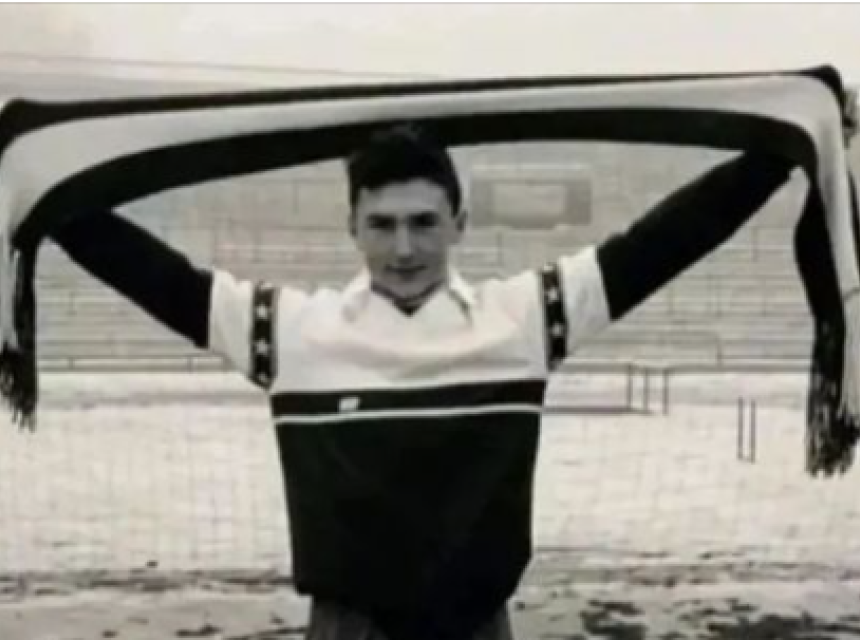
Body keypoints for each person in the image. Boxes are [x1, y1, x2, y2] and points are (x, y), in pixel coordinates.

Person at [50, 124, 792, 640]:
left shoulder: (524, 318)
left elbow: (662, 243)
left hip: (478, 626)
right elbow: (152, 275)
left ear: (459, 223)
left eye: (423, 222)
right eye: (381, 225)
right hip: (348, 628)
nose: (403, 248)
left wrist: (779, 152)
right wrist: (39, 187)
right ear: (352, 227)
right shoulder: (292, 331)